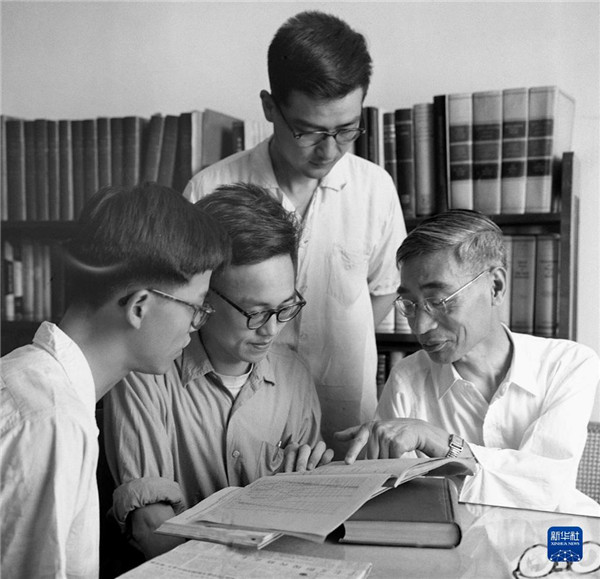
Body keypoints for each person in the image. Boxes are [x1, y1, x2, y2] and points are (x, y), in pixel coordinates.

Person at [184, 11, 406, 456]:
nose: (329, 150)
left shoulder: (374, 188)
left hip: (346, 414)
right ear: (270, 107)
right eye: (309, 131)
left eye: (346, 130)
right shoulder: (210, 189)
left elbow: (382, 290)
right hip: (239, 418)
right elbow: (190, 303)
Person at [0, 183, 229, 579]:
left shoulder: (30, 379)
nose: (197, 326)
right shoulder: (53, 420)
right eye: (196, 307)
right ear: (139, 306)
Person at [103, 183, 333, 559]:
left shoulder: (293, 375)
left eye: (285, 307)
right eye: (255, 313)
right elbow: (149, 524)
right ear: (203, 296)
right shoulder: (144, 373)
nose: (272, 329)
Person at [336, 209, 600, 515]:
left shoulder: (568, 364)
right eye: (409, 304)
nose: (420, 326)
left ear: (495, 287)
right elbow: (405, 502)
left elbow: (546, 486)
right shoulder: (406, 378)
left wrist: (446, 445)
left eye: (438, 301)